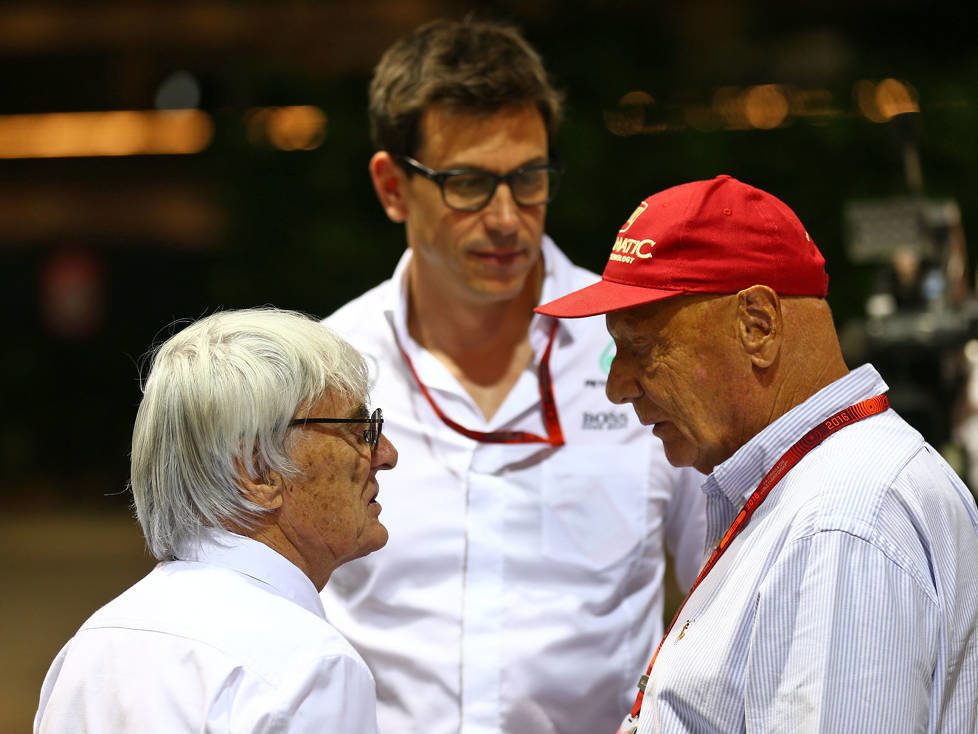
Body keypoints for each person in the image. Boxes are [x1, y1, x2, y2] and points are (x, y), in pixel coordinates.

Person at [320, 17, 707, 734]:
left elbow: (733, 588)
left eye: (528, 178)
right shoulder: (326, 372)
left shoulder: (647, 349)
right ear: (392, 187)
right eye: (468, 182)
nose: (506, 219)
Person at [536, 174, 978, 733]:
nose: (617, 385)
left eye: (641, 346)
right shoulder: (821, 491)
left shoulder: (839, 521)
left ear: (758, 326)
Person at [33, 308, 398, 734]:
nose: (385, 453)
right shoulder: (307, 665)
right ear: (259, 470)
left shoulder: (94, 644)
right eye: (358, 428)